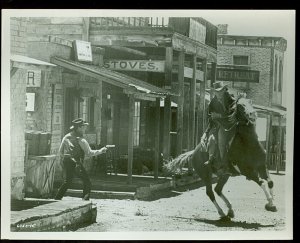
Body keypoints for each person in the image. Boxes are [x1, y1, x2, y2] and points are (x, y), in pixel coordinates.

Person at [54, 118, 108, 200]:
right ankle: (85, 201)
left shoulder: (66, 137)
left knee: (67, 181)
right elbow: (89, 153)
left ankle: (57, 198)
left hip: (67, 161)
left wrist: (61, 163)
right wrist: (101, 151)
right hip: (76, 163)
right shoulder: (80, 139)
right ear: (78, 128)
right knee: (87, 182)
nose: (85, 129)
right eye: (83, 127)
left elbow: (60, 152)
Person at [200, 81, 236, 174]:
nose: (218, 93)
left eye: (220, 91)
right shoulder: (212, 103)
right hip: (219, 125)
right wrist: (206, 132)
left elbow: (233, 114)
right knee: (212, 139)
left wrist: (220, 116)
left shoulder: (231, 100)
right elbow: (211, 118)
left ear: (224, 90)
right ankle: (215, 160)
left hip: (232, 125)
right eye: (216, 91)